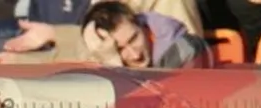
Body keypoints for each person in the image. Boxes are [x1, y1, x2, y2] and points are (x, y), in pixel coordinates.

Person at [80, 0, 212, 68]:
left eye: (134, 38)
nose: (136, 55)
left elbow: (152, 101)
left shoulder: (185, 50)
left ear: (142, 25)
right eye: (119, 50)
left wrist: (113, 64)